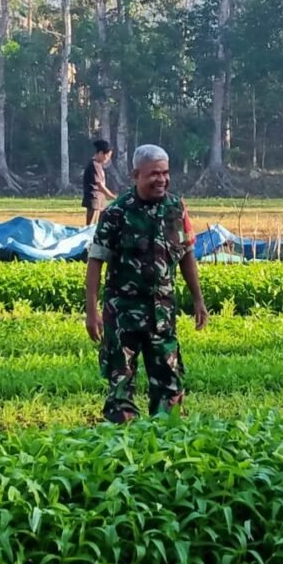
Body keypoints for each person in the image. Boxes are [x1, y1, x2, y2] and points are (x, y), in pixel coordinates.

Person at [85, 144, 208, 423]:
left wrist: (198, 299)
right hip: (123, 316)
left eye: (165, 173)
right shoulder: (117, 213)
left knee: (169, 385)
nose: (161, 179)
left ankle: (165, 443)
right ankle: (123, 447)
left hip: (162, 315)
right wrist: (91, 311)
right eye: (154, 174)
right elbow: (95, 263)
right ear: (136, 175)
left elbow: (187, 254)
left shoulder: (176, 208)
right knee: (120, 385)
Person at [82, 139, 117, 225]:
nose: (108, 159)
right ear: (101, 153)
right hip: (94, 200)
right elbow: (100, 185)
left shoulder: (98, 165)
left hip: (99, 201)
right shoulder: (94, 165)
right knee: (91, 228)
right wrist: (112, 196)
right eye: (108, 156)